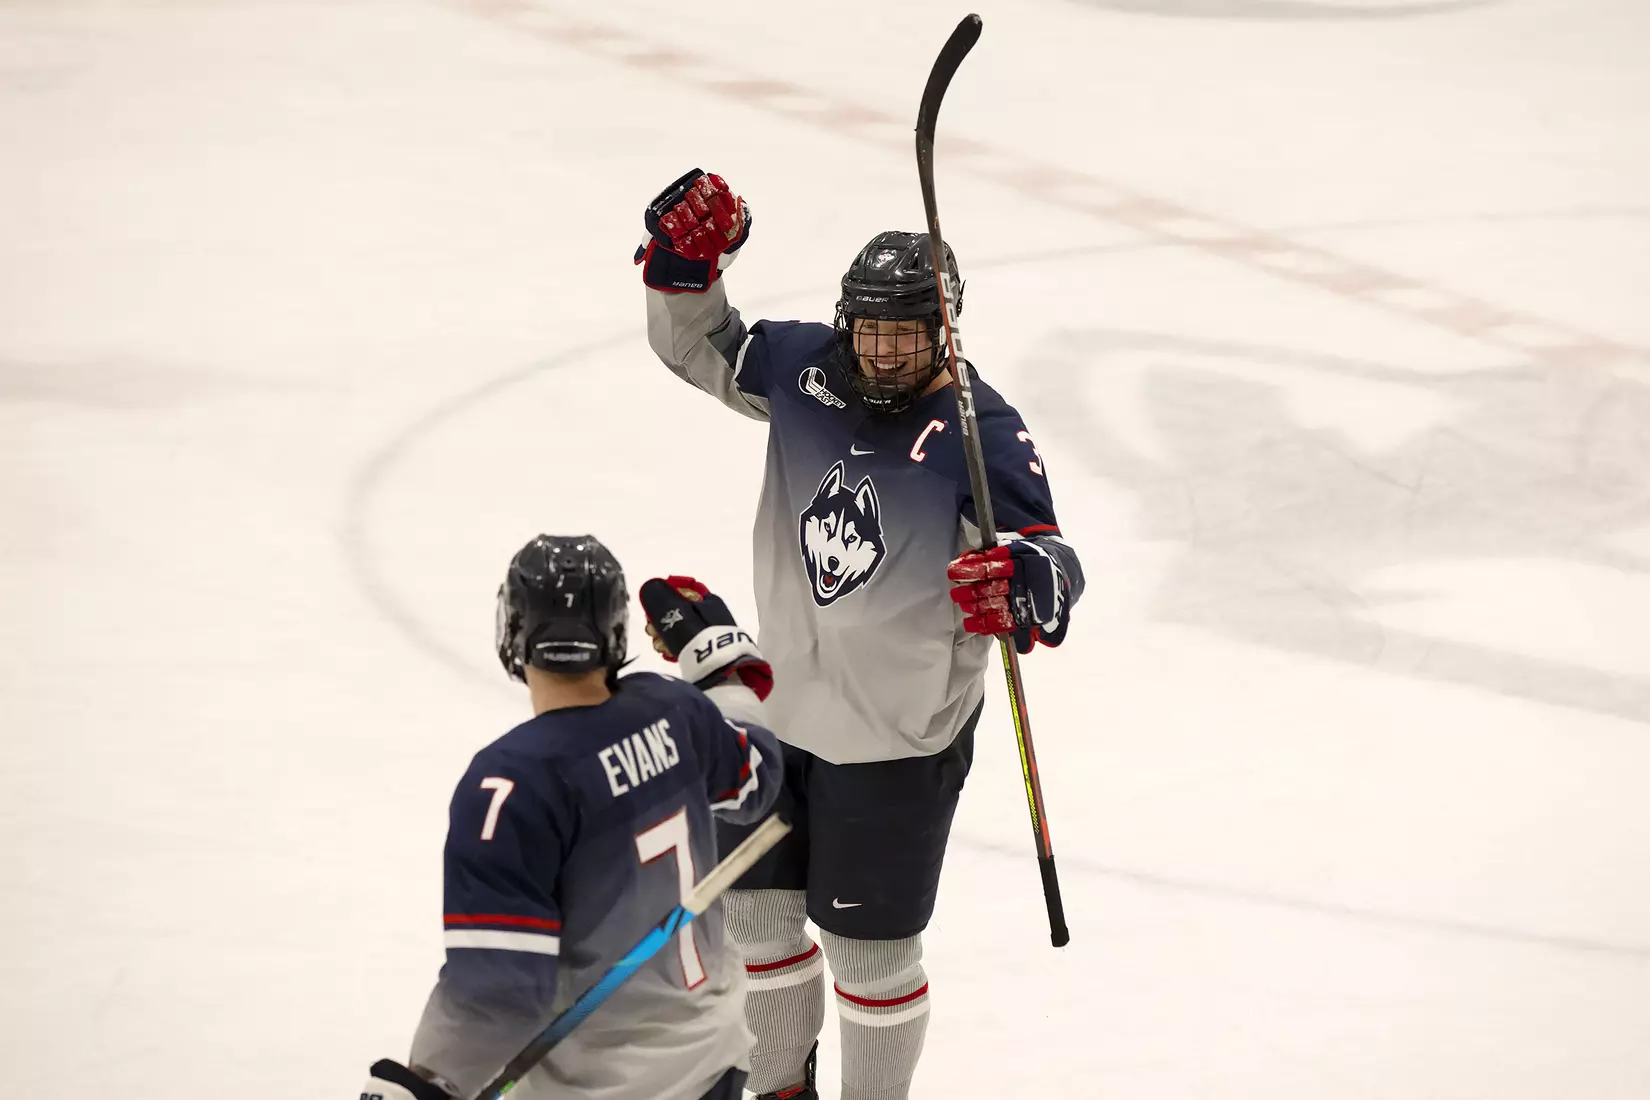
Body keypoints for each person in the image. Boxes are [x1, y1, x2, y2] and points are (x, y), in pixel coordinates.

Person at [637, 170, 1086, 1100]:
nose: (881, 352)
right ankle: (779, 1088)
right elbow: (702, 350)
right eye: (869, 329)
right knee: (756, 924)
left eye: (905, 332)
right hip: (779, 712)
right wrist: (684, 271)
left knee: (867, 956)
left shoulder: (980, 430)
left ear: (945, 329)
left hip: (896, 734)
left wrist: (1024, 584)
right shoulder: (808, 370)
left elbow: (1049, 553)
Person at [361, 534, 785, 1100]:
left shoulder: (510, 785)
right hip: (714, 1063)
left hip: (598, 1087)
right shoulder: (675, 709)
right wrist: (723, 674)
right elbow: (756, 779)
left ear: (512, 632)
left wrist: (427, 1082)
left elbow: (501, 992)